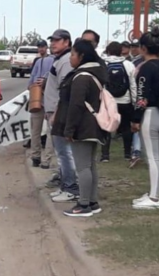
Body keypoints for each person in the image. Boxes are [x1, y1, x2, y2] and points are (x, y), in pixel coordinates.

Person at [54, 39, 107, 217]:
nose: (70, 58)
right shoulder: (96, 73)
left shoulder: (81, 77)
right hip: (94, 125)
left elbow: (76, 105)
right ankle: (92, 202)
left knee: (83, 167)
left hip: (83, 127)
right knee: (90, 165)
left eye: (73, 54)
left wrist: (69, 130)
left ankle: (83, 204)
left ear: (82, 56)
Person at [131, 27, 159, 210]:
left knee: (152, 158)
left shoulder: (145, 68)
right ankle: (154, 193)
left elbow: (141, 96)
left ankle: (154, 198)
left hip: (150, 114)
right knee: (158, 157)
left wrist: (135, 119)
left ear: (143, 48)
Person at [44, 29, 79, 203]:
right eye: (52, 40)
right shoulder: (60, 60)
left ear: (67, 42)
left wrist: (56, 114)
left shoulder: (65, 61)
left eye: (57, 41)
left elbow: (65, 90)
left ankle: (71, 188)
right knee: (62, 152)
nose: (53, 43)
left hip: (59, 113)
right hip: (55, 111)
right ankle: (66, 185)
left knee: (65, 153)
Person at [101, 41, 137, 162]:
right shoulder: (128, 64)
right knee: (126, 127)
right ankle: (127, 154)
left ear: (108, 51)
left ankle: (105, 156)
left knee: (106, 127)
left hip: (108, 101)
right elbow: (133, 85)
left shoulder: (103, 64)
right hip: (125, 101)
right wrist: (134, 101)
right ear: (120, 51)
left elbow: (100, 84)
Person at [29, 40, 55, 168]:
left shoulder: (53, 60)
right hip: (36, 98)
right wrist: (31, 90)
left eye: (43, 47)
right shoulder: (37, 61)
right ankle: (35, 156)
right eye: (39, 47)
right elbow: (32, 78)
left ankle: (47, 159)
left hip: (49, 98)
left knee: (50, 130)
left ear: (46, 47)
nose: (41, 49)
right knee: (35, 129)